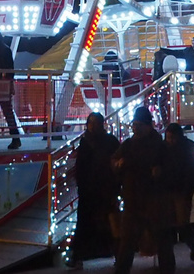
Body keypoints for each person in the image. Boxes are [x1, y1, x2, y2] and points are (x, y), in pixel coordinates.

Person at [112, 107, 172, 274]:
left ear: (148, 126)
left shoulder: (159, 146)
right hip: (133, 198)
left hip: (153, 198)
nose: (135, 128)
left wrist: (159, 172)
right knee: (127, 241)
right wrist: (118, 165)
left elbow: (168, 168)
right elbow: (114, 160)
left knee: (161, 237)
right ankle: (122, 269)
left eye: (138, 125)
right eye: (134, 124)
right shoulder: (129, 145)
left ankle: (167, 268)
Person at [67, 112, 120, 269]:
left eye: (95, 123)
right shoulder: (86, 142)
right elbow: (81, 167)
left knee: (110, 224)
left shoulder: (109, 142)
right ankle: (78, 257)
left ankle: (118, 255)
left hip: (105, 188)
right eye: (90, 123)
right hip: (89, 189)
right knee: (85, 224)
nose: (92, 126)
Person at [162, 123, 194, 262]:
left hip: (181, 191)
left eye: (172, 138)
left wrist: (188, 191)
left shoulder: (187, 149)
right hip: (168, 190)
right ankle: (168, 257)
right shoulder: (164, 149)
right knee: (168, 223)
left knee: (182, 223)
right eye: (168, 138)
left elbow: (192, 172)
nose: (170, 141)